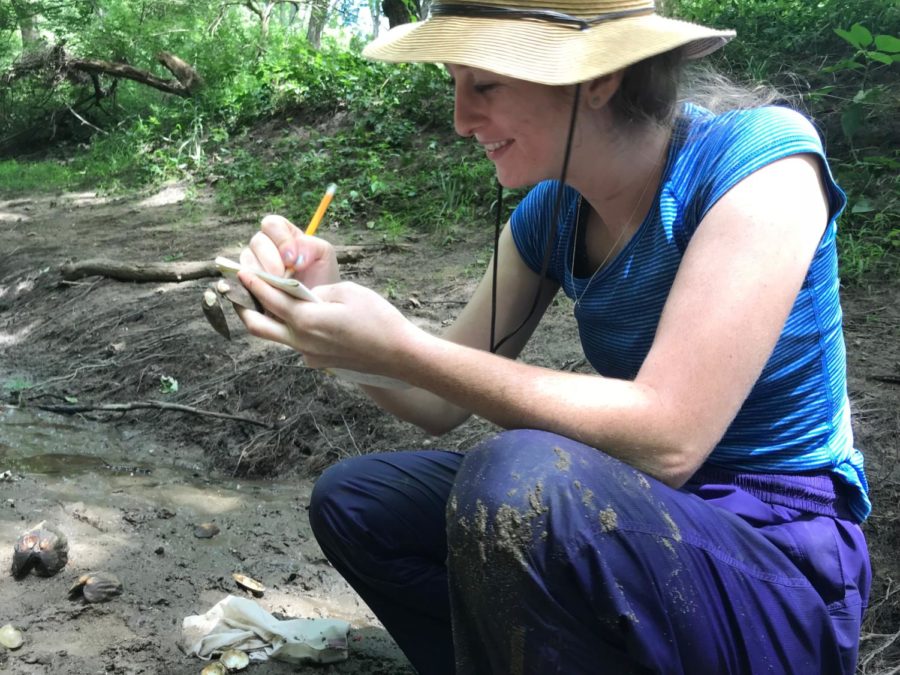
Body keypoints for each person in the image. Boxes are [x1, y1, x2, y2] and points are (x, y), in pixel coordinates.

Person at [234, 0, 872, 672]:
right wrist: (325, 309)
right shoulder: (553, 214)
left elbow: (672, 436)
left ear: (596, 78)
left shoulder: (763, 163)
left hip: (780, 572)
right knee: (359, 502)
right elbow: (436, 399)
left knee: (517, 480)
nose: (459, 119)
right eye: (453, 83)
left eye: (484, 84)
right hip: (641, 529)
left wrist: (401, 346)